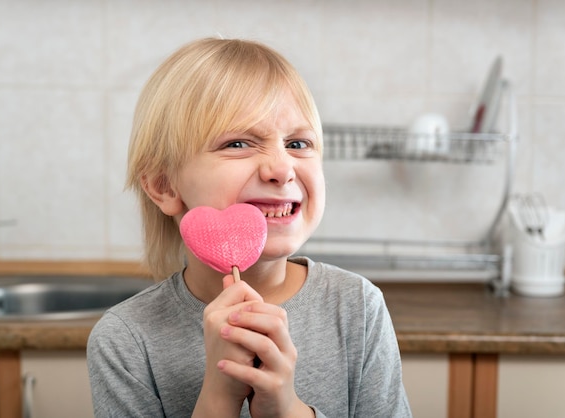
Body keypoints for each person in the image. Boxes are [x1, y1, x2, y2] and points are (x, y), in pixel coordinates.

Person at [87, 37, 412, 418]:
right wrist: (219, 398)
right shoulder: (125, 340)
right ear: (165, 186)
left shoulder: (357, 307)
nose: (281, 168)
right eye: (239, 143)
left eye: (298, 143)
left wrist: (286, 410)